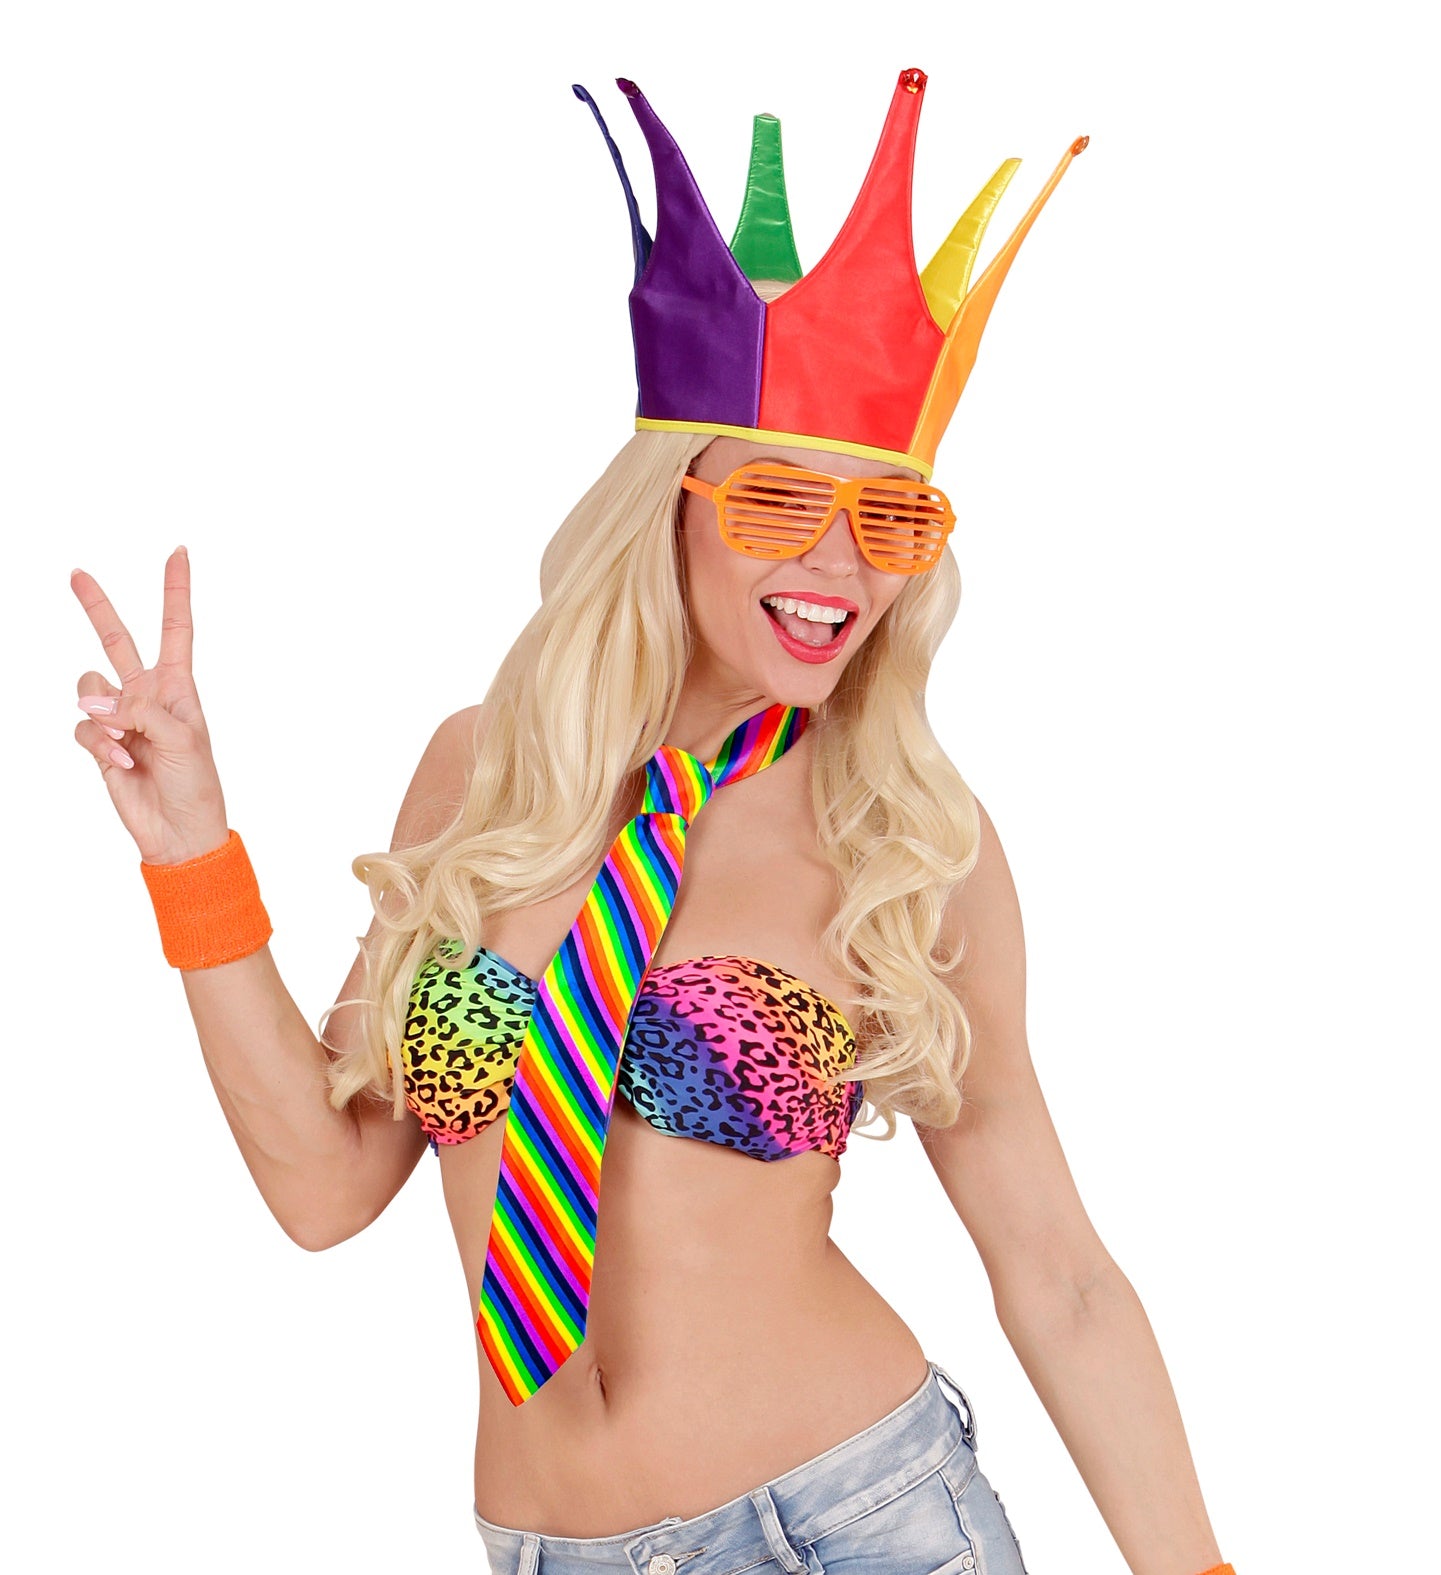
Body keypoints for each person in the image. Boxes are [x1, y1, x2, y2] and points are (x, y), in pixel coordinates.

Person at [68, 68, 1236, 1575]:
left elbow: (1057, 1274)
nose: (838, 568)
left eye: (887, 521)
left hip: (861, 1524)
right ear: (667, 503)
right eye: (778, 505)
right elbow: (322, 1185)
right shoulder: (483, 771)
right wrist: (189, 854)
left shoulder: (907, 836)